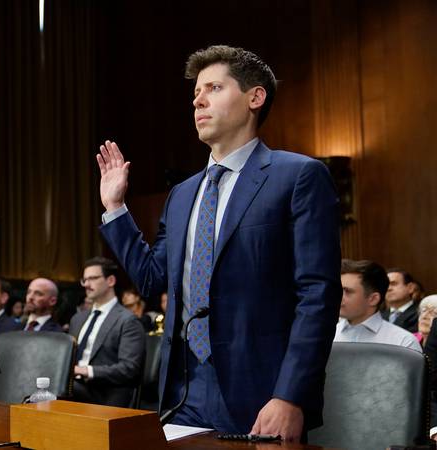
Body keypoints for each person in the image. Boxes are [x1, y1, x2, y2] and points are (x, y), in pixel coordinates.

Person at [96, 45, 341, 441]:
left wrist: (290, 396)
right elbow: (153, 279)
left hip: (263, 394)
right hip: (182, 389)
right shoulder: (181, 194)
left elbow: (318, 295)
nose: (198, 100)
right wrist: (116, 208)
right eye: (195, 93)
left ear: (254, 98)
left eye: (213, 87)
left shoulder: (298, 176)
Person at [70, 257, 145, 407]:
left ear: (110, 281)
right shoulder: (78, 319)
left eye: (92, 278)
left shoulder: (128, 320)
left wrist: (86, 371)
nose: (86, 284)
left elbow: (129, 369)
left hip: (104, 394)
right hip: (73, 388)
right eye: (84, 280)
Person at [334, 259, 421, 352]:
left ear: (373, 299)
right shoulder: (326, 335)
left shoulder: (403, 342)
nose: (338, 296)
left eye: (347, 291)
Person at [383, 268, 419, 332]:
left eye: (393, 284)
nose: (388, 288)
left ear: (410, 288)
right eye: (385, 285)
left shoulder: (420, 313)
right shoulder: (378, 315)